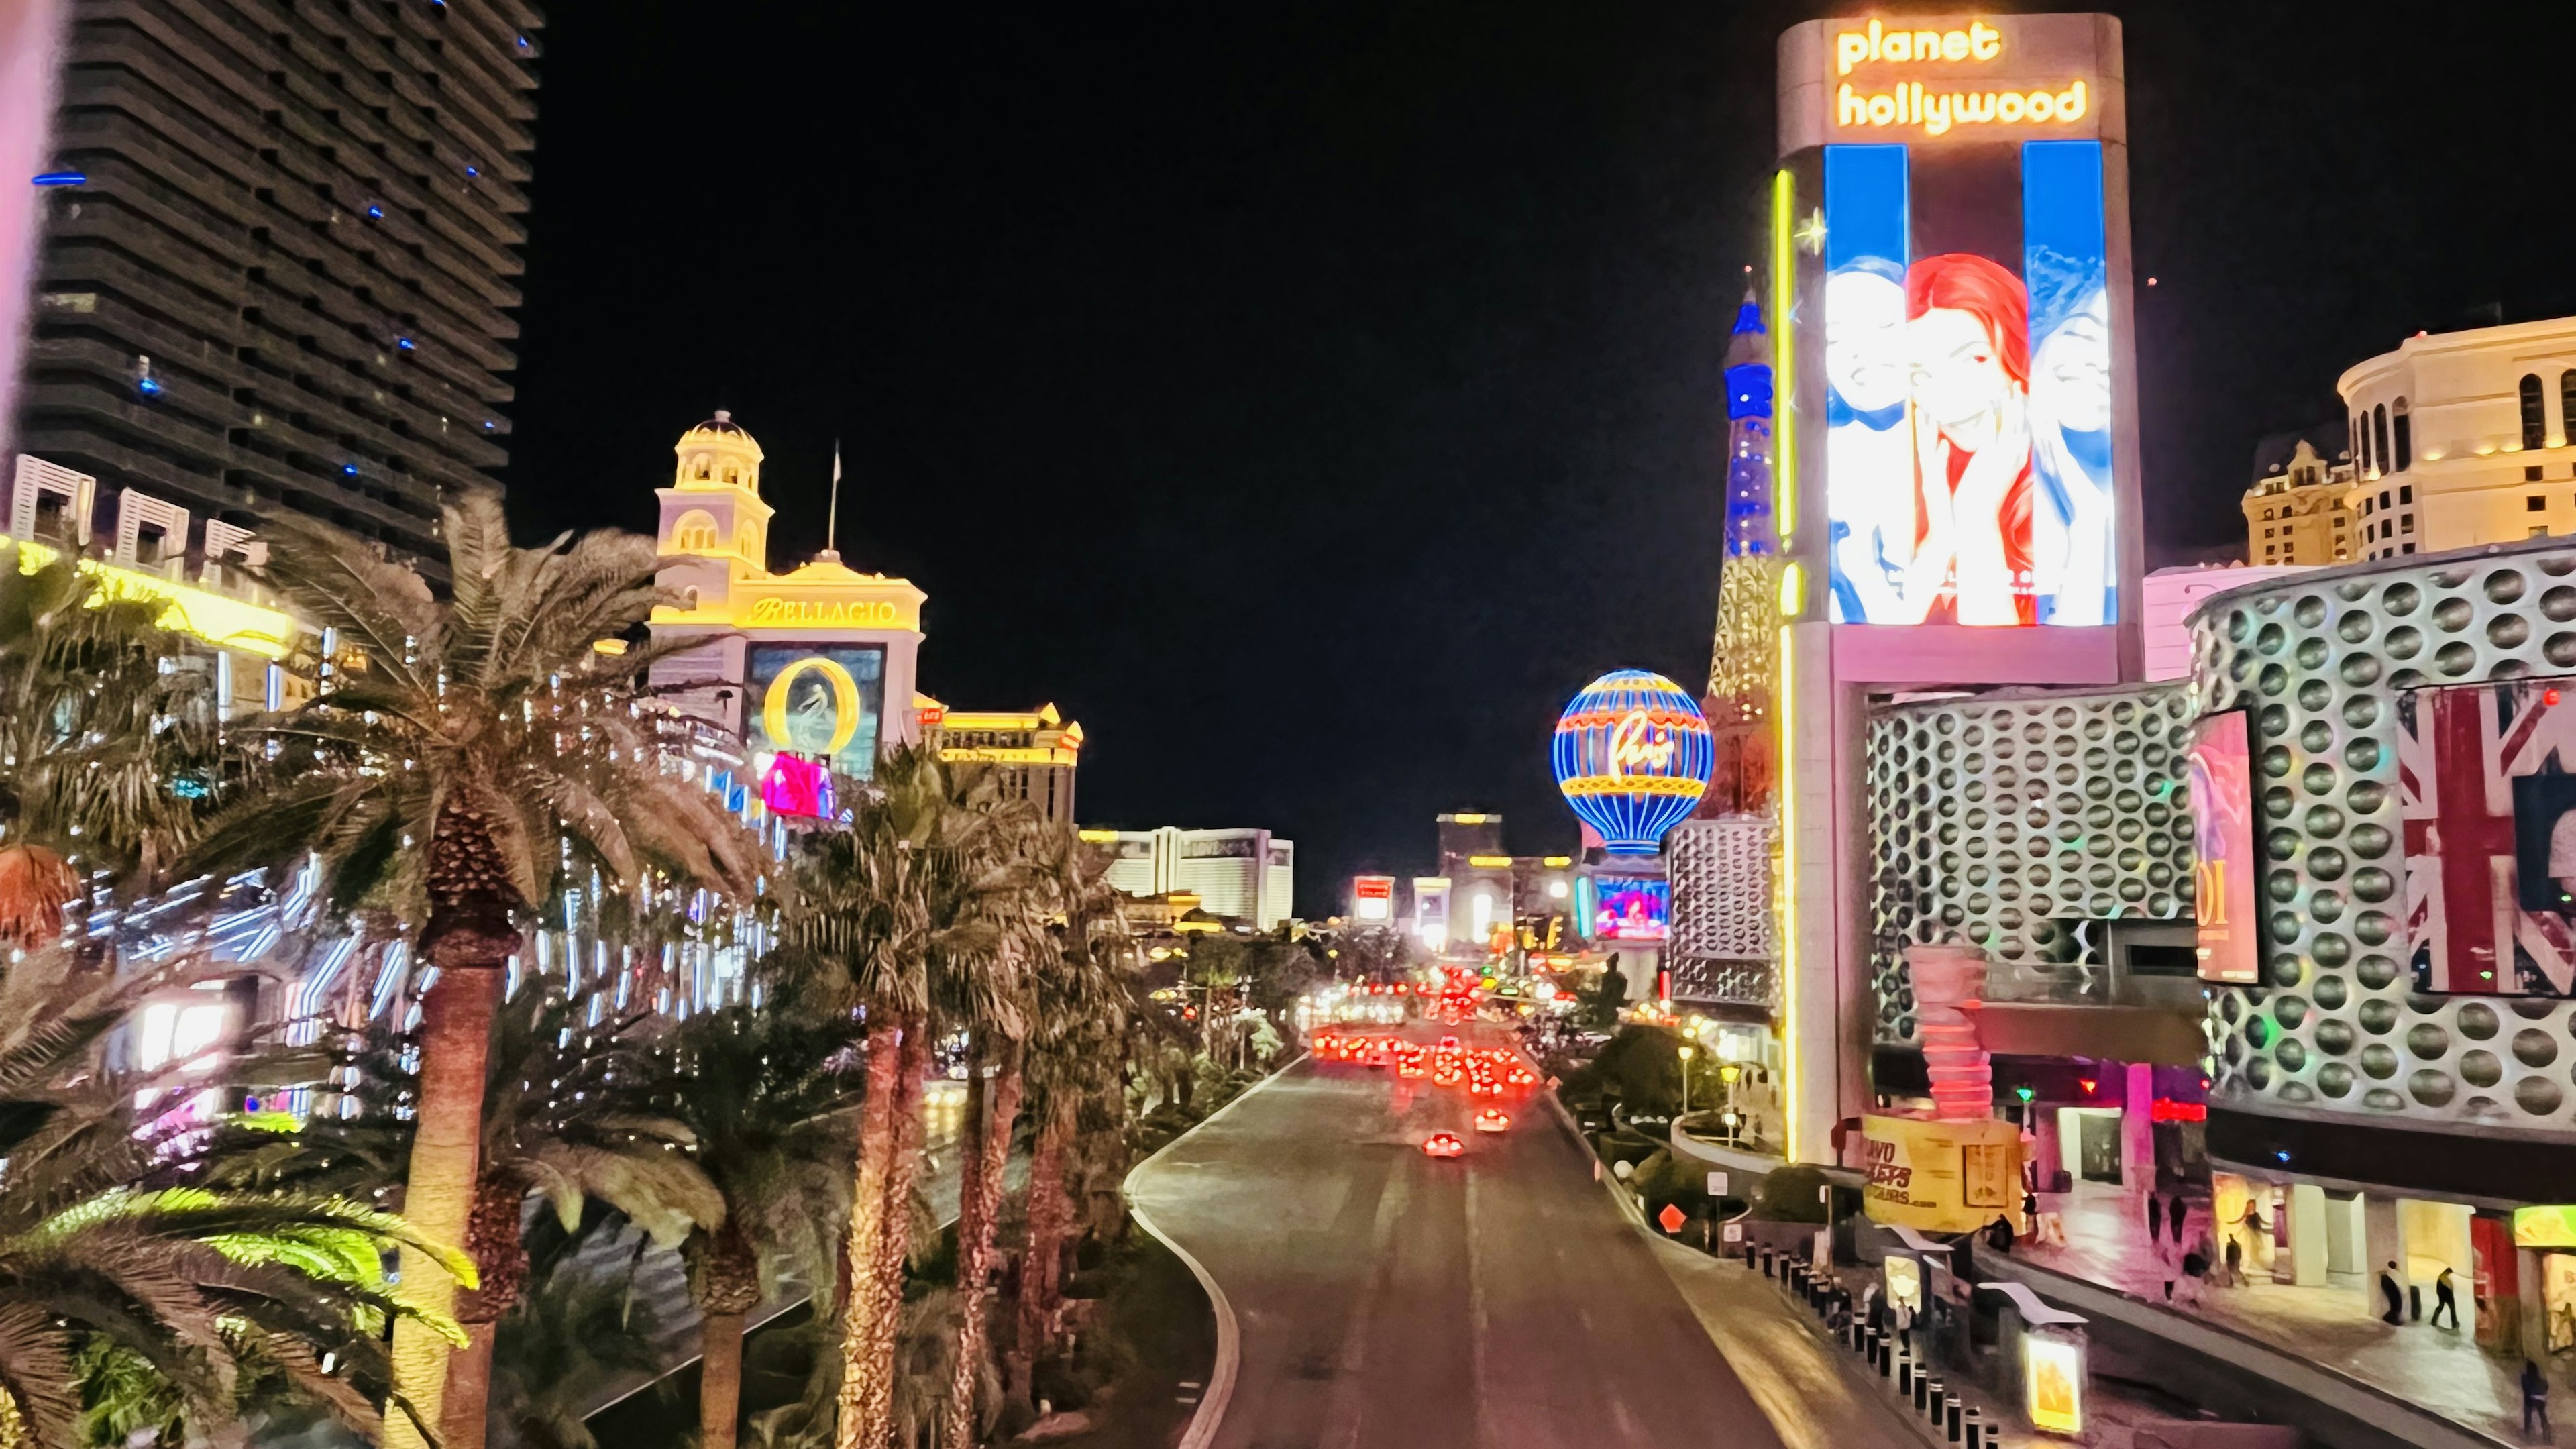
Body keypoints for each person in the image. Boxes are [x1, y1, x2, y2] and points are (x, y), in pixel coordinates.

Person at [1897, 252, 2038, 627]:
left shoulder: (2066, 496)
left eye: (1974, 360)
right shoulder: (1903, 498)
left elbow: (2006, 672)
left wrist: (1978, 516)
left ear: (2019, 356)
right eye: (1919, 375)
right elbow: (1874, 652)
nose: (1948, 394)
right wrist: (1942, 536)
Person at [2526, 1360, 2552, 1440]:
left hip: (2534, 1400)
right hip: (2542, 1400)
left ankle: (2528, 1433)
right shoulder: (2542, 1381)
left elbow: (2528, 1390)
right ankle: (2547, 1435)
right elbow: (2546, 1387)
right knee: (2543, 1416)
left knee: (2529, 1415)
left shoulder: (2529, 1380)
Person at [2434, 1267, 2461, 1331]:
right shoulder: (2447, 1279)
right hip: (2447, 1292)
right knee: (2452, 1309)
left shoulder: (2440, 1277)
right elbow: (2450, 1288)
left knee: (2441, 1306)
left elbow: (2438, 1288)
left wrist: (2439, 1294)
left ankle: (2434, 1320)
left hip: (2441, 1292)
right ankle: (2454, 1324)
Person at [2381, 1261, 2406, 1326]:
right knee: (2396, 1300)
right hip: (2389, 1278)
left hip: (2387, 1277)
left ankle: (2389, 1316)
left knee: (2395, 1300)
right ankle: (2392, 1317)